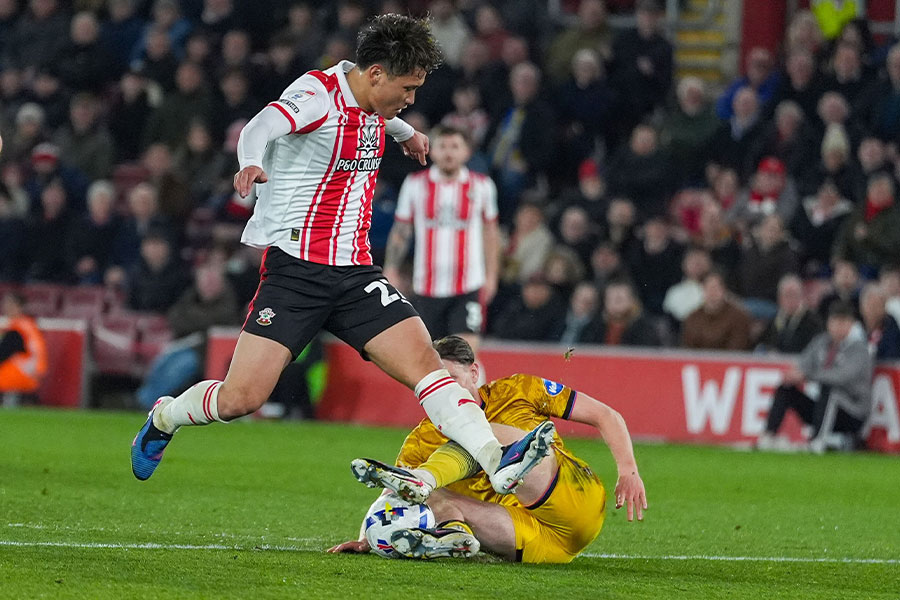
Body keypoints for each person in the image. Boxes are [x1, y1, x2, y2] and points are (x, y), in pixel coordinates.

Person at [131, 14, 552, 499]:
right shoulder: (314, 96)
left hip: (356, 274)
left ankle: (497, 461)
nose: (412, 99)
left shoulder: (373, 101)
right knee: (240, 398)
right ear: (376, 74)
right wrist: (249, 160)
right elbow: (259, 126)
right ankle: (164, 415)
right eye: (408, 87)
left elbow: (377, 112)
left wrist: (404, 133)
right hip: (297, 273)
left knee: (428, 366)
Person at [330, 335, 647, 562]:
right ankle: (454, 534)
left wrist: (628, 470)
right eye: (436, 384)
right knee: (431, 495)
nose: (445, 392)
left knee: (475, 430)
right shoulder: (421, 439)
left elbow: (606, 415)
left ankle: (437, 474)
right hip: (528, 540)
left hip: (573, 501)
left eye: (451, 380)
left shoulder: (518, 390)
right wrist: (366, 538)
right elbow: (392, 494)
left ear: (474, 373)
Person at [383, 125, 500, 352]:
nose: (448, 153)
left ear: (467, 152)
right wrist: (391, 268)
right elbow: (401, 230)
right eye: (443, 146)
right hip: (426, 287)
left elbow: (491, 233)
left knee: (466, 355)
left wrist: (492, 275)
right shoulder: (415, 184)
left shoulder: (482, 186)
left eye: (455, 147)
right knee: (429, 357)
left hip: (468, 285)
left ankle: (472, 387)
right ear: (431, 150)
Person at [758, 301, 872, 453]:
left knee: (831, 392)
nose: (838, 326)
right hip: (823, 409)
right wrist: (794, 374)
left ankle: (817, 442)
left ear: (851, 324)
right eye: (835, 321)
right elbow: (803, 364)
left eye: (843, 322)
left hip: (852, 412)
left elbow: (842, 377)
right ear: (828, 322)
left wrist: (806, 375)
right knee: (786, 389)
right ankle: (768, 436)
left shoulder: (859, 350)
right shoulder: (821, 343)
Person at [682, 271, 752, 351]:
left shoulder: (739, 316)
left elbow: (737, 348)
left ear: (724, 290)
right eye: (708, 288)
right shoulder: (693, 317)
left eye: (715, 288)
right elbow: (687, 348)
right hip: (697, 361)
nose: (712, 293)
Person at [756, 274, 823, 354]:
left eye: (794, 294)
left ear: (801, 296)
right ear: (779, 298)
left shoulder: (813, 321)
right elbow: (765, 343)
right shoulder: (775, 319)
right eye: (786, 295)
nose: (790, 299)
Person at [0, 292, 47, 402]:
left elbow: (3, 353)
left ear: (20, 307)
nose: (6, 308)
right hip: (33, 372)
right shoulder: (28, 325)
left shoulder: (18, 329)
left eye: (10, 305)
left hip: (23, 372)